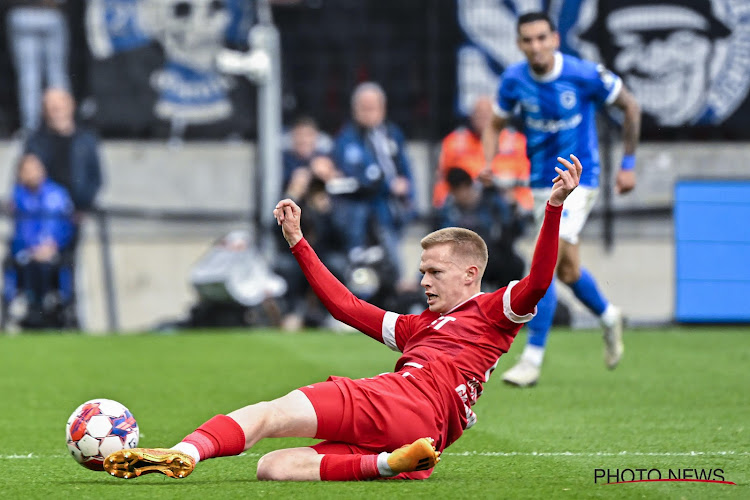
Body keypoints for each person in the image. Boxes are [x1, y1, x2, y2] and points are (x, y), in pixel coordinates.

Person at [102, 154, 583, 482]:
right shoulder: (421, 327)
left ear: (470, 273)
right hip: (423, 433)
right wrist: (298, 242)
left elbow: (540, 279)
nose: (423, 282)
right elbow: (347, 308)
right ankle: (387, 465)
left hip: (400, 398)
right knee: (272, 467)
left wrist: (554, 207)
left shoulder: (494, 310)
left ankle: (184, 453)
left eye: (434, 271)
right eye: (422, 272)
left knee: (271, 413)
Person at [483, 12, 641, 387]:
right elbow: (494, 124)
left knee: (547, 260)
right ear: (519, 44)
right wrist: (488, 162)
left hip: (579, 178)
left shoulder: (585, 74)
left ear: (555, 38)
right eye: (527, 40)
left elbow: (630, 107)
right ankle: (608, 315)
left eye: (542, 38)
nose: (535, 46)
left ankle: (532, 360)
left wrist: (629, 164)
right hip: (541, 184)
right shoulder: (513, 80)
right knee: (567, 269)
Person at [23, 87, 103, 327]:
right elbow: (24, 177)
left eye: (58, 106)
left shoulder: (85, 140)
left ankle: (69, 311)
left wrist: (83, 206)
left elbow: (96, 178)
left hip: (72, 216)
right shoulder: (36, 141)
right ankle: (37, 310)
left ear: (70, 106)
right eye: (49, 107)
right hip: (41, 216)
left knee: (69, 266)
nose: (54, 112)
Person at [332, 82, 416, 283]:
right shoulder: (347, 137)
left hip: (393, 212)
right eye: (364, 107)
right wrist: (388, 184)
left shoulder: (392, 134)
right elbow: (358, 172)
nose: (369, 112)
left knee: (394, 269)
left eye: (374, 107)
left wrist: (410, 197)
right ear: (355, 109)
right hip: (363, 216)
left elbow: (405, 170)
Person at [4, 153, 74, 328]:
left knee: (50, 266)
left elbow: (65, 228)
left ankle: (50, 307)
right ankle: (28, 306)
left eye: (34, 168)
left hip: (53, 251)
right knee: (23, 264)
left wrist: (51, 245)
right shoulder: (18, 197)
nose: (31, 173)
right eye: (26, 170)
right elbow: (20, 231)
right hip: (27, 252)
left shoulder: (57, 194)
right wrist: (33, 249)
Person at [434, 96, 533, 213]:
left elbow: (527, 181)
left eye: (487, 114)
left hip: (508, 204)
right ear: (471, 117)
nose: (483, 118)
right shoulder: (454, 142)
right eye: (479, 114)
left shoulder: (517, 142)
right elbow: (442, 182)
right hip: (465, 207)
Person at [436, 167, 525, 291]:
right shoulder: (450, 209)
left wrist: (512, 206)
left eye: (456, 191)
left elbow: (514, 227)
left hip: (492, 254)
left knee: (514, 264)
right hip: (463, 259)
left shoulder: (491, 199)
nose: (454, 196)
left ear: (465, 187)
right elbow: (440, 240)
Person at [5, 0, 71, 134]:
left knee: (29, 76)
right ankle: (63, 125)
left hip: (22, 13)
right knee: (56, 74)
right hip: (50, 12)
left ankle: (31, 128)